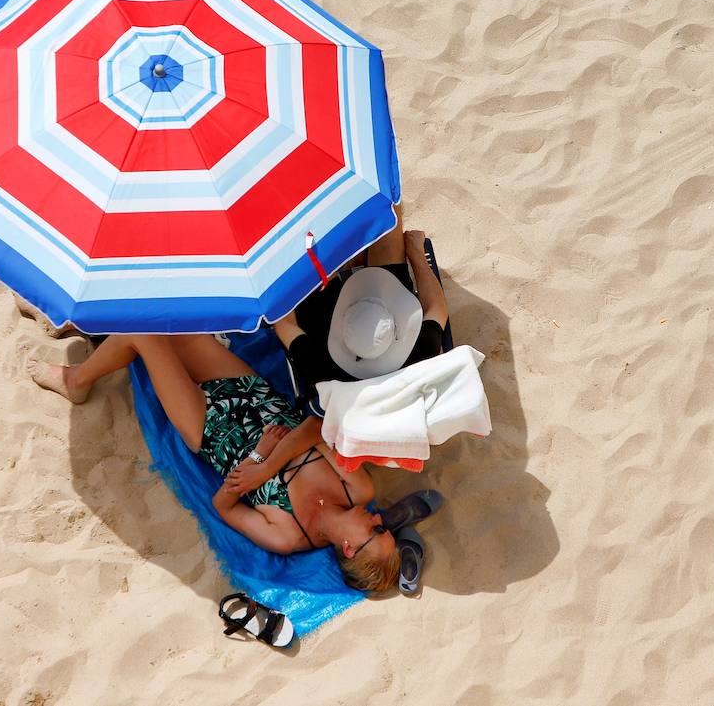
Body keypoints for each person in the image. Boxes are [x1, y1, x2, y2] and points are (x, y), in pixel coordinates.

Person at [28, 333, 400, 592]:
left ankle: (77, 380)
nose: (379, 520)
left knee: (144, 335)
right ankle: (80, 324)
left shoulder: (289, 536)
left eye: (378, 532)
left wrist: (256, 457)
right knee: (166, 317)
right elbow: (316, 427)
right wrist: (266, 467)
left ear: (349, 548)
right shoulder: (358, 490)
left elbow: (224, 506)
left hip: (209, 428)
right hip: (250, 392)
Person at [226, 211, 449, 497]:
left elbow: (284, 323)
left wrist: (283, 279)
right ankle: (352, 255)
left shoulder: (324, 370)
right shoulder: (416, 351)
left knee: (307, 237)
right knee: (386, 211)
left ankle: (338, 256)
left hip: (324, 310)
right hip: (378, 307)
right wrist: (416, 252)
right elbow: (436, 308)